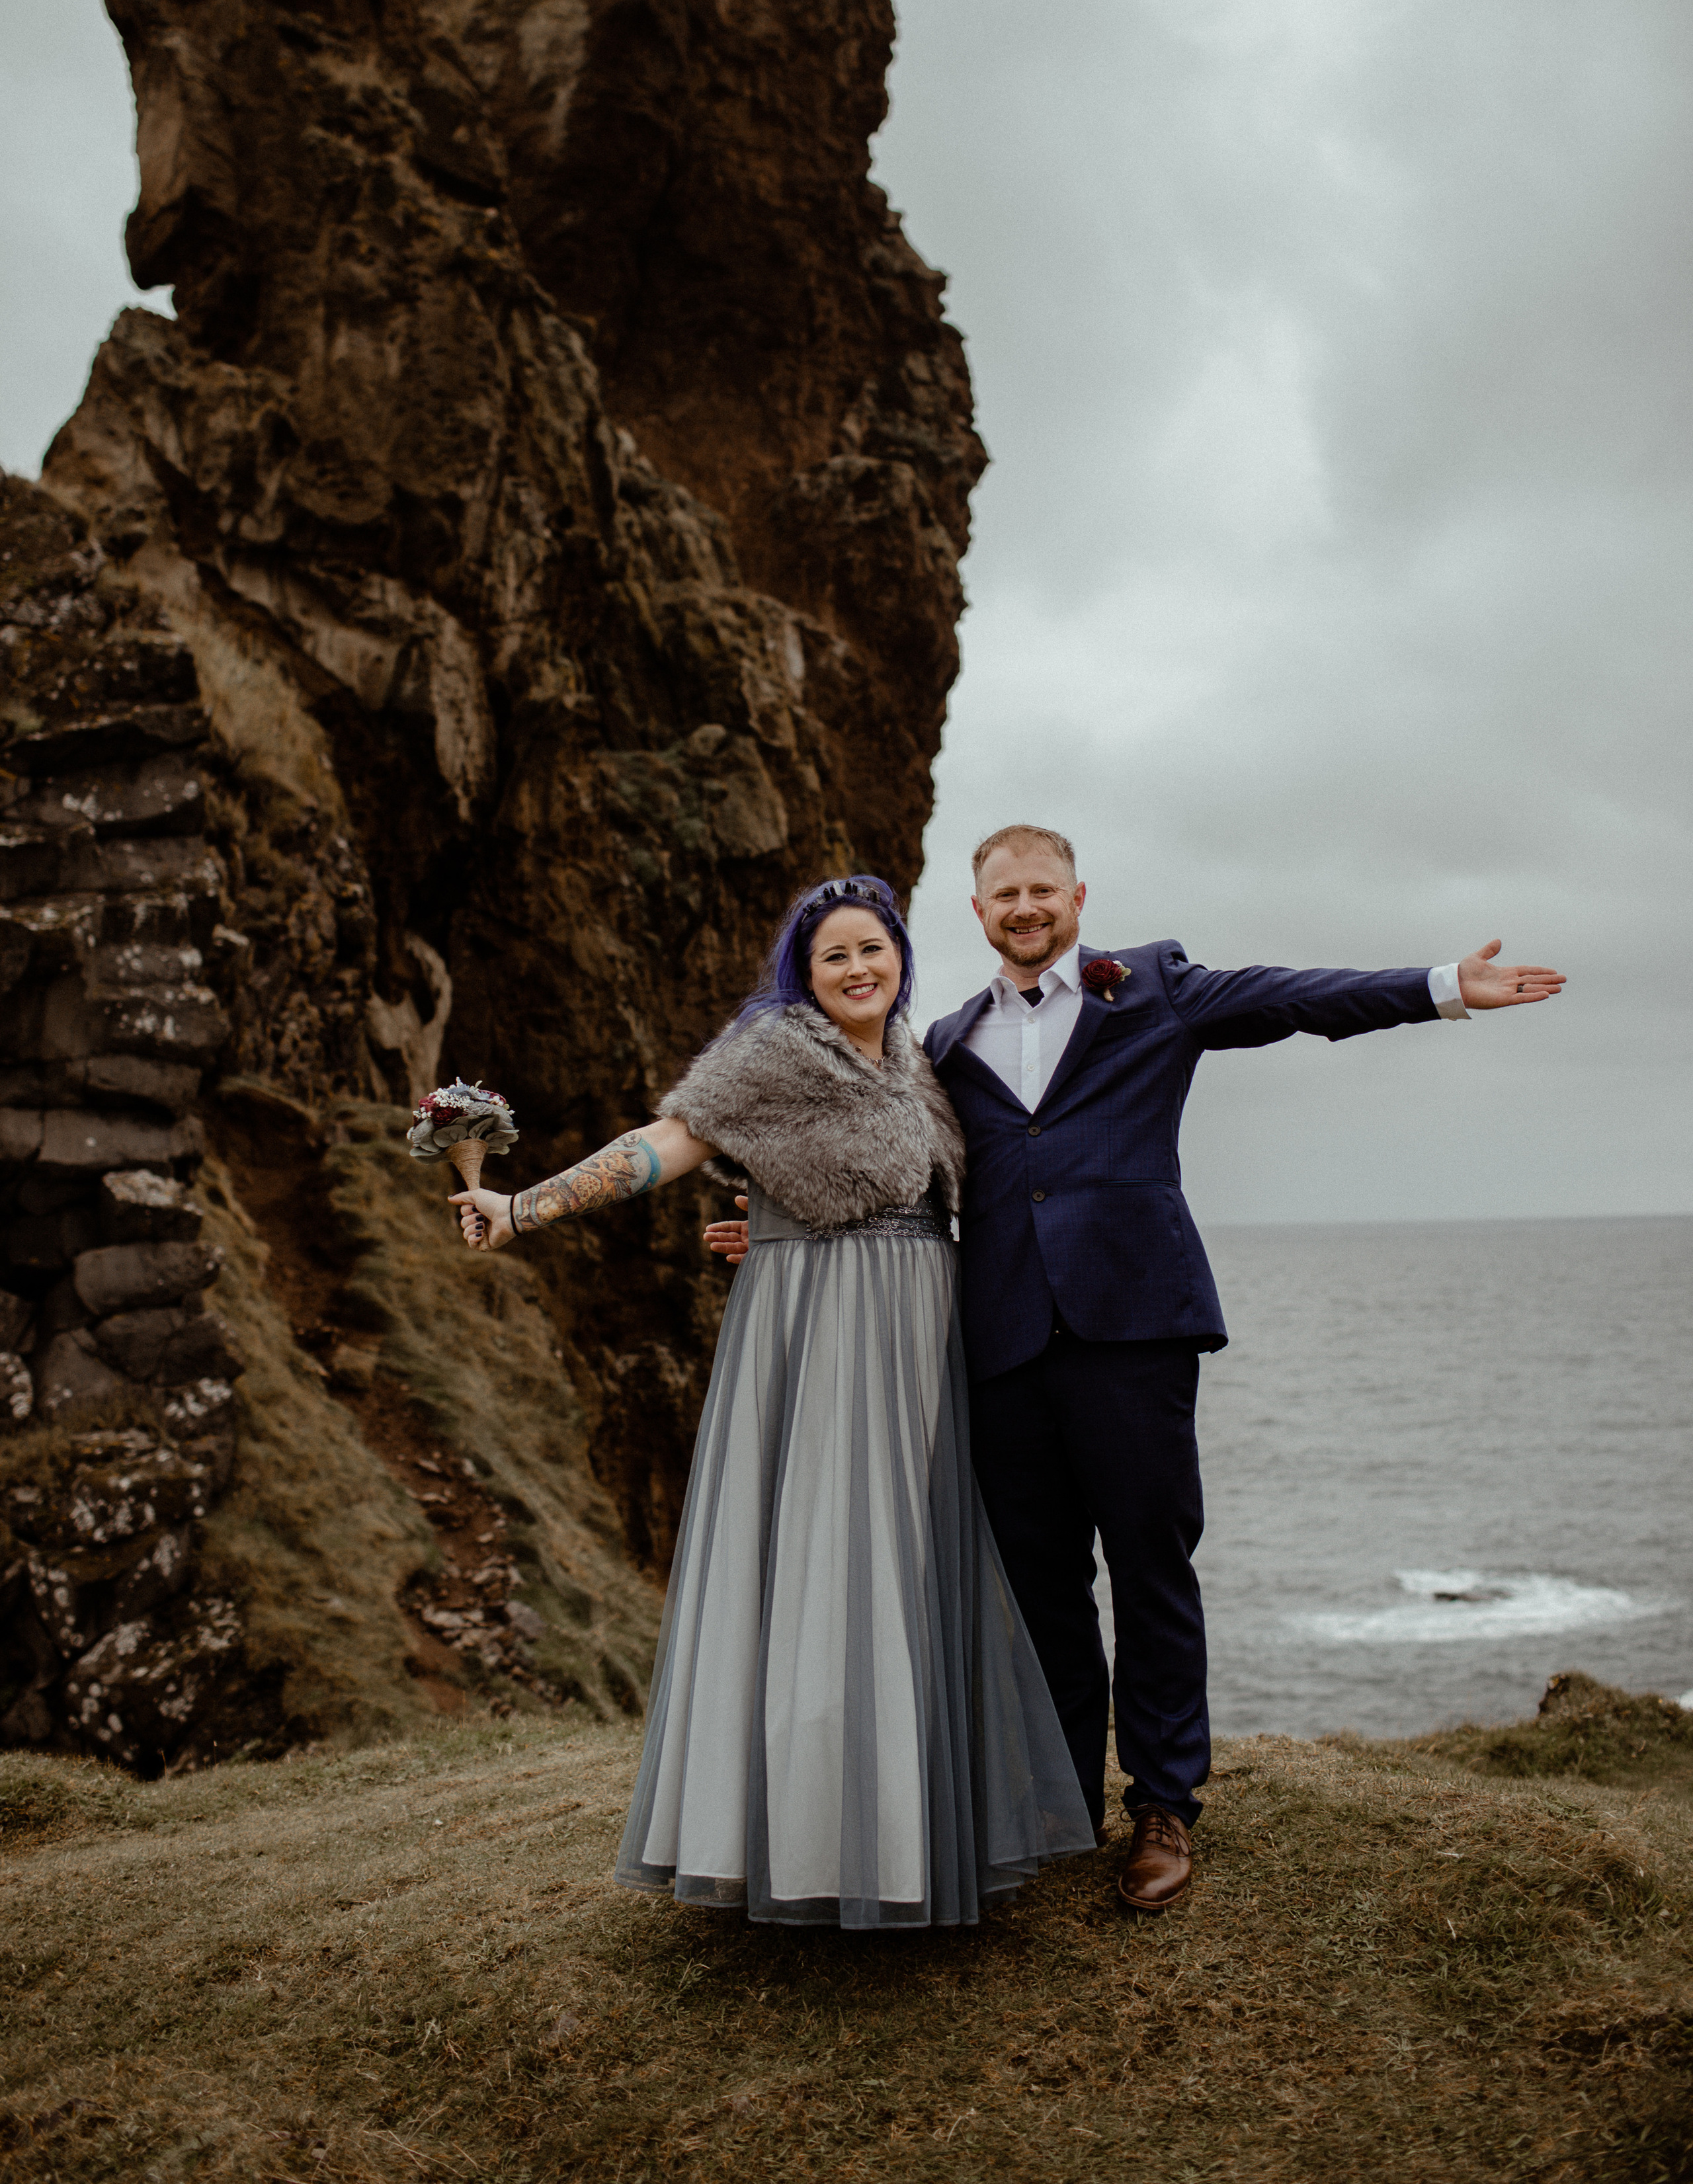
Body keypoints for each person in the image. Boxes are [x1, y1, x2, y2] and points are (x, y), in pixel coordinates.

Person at [708, 826, 1566, 1916]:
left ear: (1077, 897)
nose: (1025, 907)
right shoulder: (946, 1043)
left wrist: (1441, 986)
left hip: (1134, 1333)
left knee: (1152, 1571)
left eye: (1042, 889)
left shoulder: (1154, 988)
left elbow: (1292, 999)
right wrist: (782, 1228)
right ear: (978, 914)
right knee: (1042, 1592)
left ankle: (1165, 1804)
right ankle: (1063, 1803)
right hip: (1003, 1345)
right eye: (1005, 894)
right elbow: (892, 1167)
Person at [449, 873, 1094, 1929]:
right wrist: (523, 1209)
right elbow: (664, 1145)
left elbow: (915, 1197)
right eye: (834, 954)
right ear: (805, 971)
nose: (857, 969)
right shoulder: (772, 1054)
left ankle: (907, 1831)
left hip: (922, 1343)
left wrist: (785, 1222)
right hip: (828, 1335)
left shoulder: (916, 1064)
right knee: (831, 1571)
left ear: (901, 958)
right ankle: (816, 1845)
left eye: (873, 949)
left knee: (907, 1573)